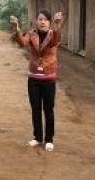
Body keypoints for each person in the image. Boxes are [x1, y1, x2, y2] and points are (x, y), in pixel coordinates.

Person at [10, 9, 63, 152]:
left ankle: (49, 139)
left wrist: (58, 26)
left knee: (49, 110)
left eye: (45, 19)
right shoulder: (31, 34)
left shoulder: (53, 34)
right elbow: (22, 43)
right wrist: (16, 28)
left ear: (49, 22)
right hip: (33, 78)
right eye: (40, 19)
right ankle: (38, 137)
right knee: (35, 109)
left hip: (49, 78)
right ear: (36, 21)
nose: (42, 21)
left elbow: (56, 41)